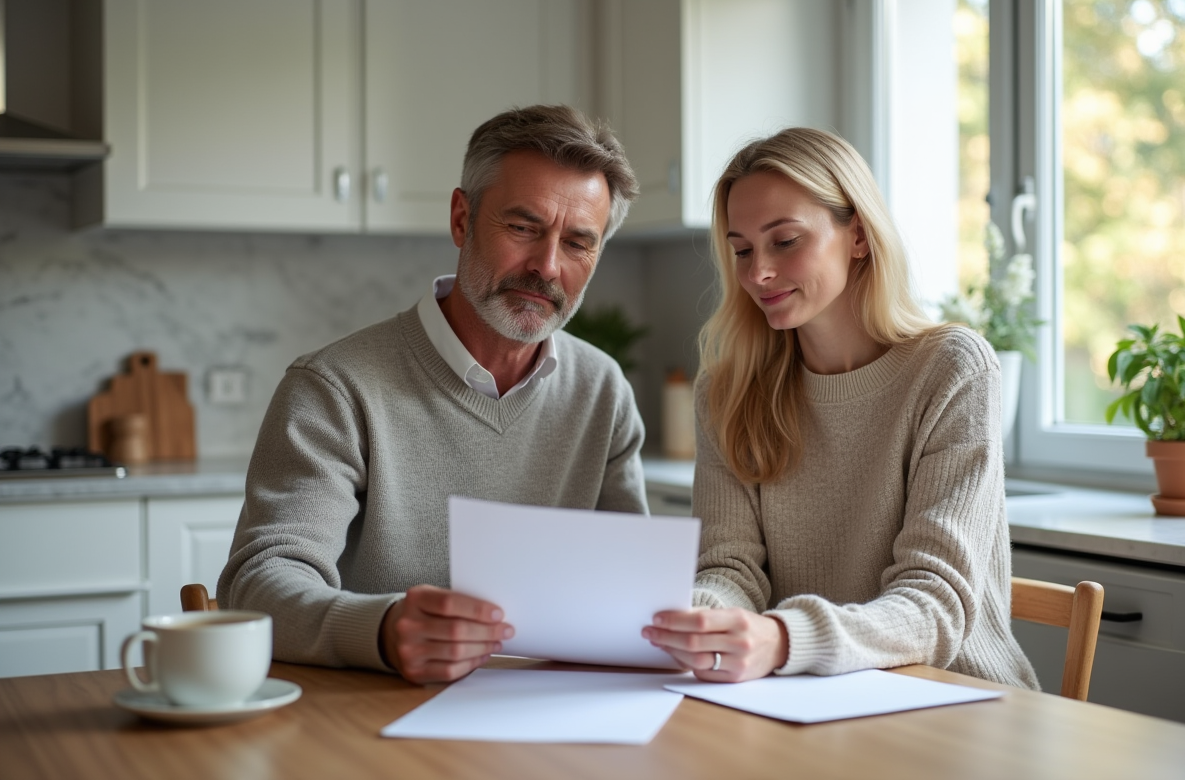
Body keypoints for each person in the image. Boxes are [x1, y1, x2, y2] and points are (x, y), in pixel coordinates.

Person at [218, 105, 647, 684]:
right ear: (461, 219)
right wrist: (384, 630)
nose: (547, 266)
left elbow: (630, 589)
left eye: (578, 242)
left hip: (546, 717)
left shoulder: (602, 390)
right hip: (368, 719)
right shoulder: (335, 387)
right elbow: (259, 584)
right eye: (523, 227)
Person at [640, 128, 1038, 689]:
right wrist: (706, 621)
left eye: (785, 241)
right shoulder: (727, 392)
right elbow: (728, 569)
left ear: (857, 235)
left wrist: (781, 639)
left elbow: (934, 604)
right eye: (742, 250)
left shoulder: (951, 369)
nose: (757, 274)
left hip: (958, 700)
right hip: (807, 699)